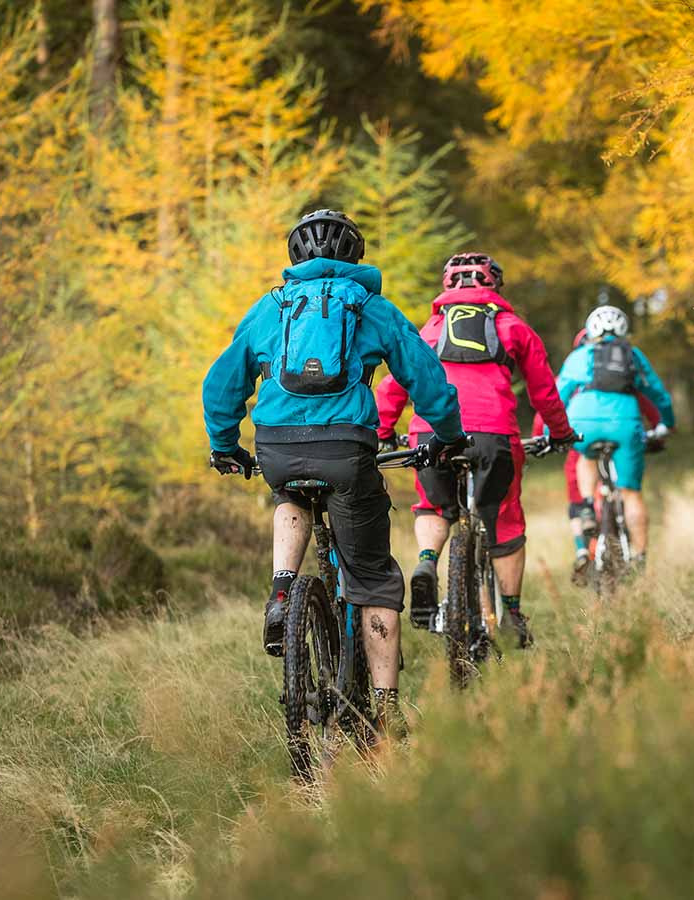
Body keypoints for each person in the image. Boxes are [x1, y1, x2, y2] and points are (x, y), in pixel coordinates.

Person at [203, 208, 466, 731]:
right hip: (346, 450)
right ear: (354, 257)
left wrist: (225, 444)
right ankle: (388, 717)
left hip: (277, 446)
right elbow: (425, 376)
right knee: (372, 579)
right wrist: (449, 435)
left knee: (290, 497)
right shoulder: (371, 306)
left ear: (294, 258)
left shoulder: (270, 308)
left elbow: (222, 382)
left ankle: (282, 591)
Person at [375, 252, 577, 648]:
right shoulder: (513, 327)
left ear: (447, 287)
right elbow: (543, 391)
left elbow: (397, 383)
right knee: (504, 519)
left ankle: (428, 563)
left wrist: (383, 429)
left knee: (433, 508)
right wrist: (560, 432)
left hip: (431, 436)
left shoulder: (429, 330)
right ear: (494, 286)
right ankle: (513, 615)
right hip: (494, 436)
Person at [533, 327, 663, 581]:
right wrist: (660, 428)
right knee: (629, 492)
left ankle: (582, 548)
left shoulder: (573, 372)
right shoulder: (626, 374)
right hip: (623, 433)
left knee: (578, 495)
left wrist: (545, 435)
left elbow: (547, 407)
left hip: (580, 441)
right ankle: (636, 555)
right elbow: (651, 404)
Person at [556, 304, 675, 575]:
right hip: (625, 423)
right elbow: (657, 393)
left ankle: (587, 506)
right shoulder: (632, 355)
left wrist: (554, 431)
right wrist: (667, 422)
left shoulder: (580, 355)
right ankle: (639, 557)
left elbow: (558, 393)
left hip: (584, 421)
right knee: (631, 493)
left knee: (586, 457)